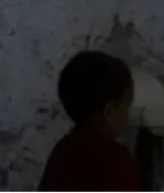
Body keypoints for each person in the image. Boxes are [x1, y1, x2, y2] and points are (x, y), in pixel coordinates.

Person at [38, 50, 140, 191]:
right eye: (127, 106)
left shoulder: (62, 150)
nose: (129, 115)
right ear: (110, 112)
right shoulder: (115, 159)